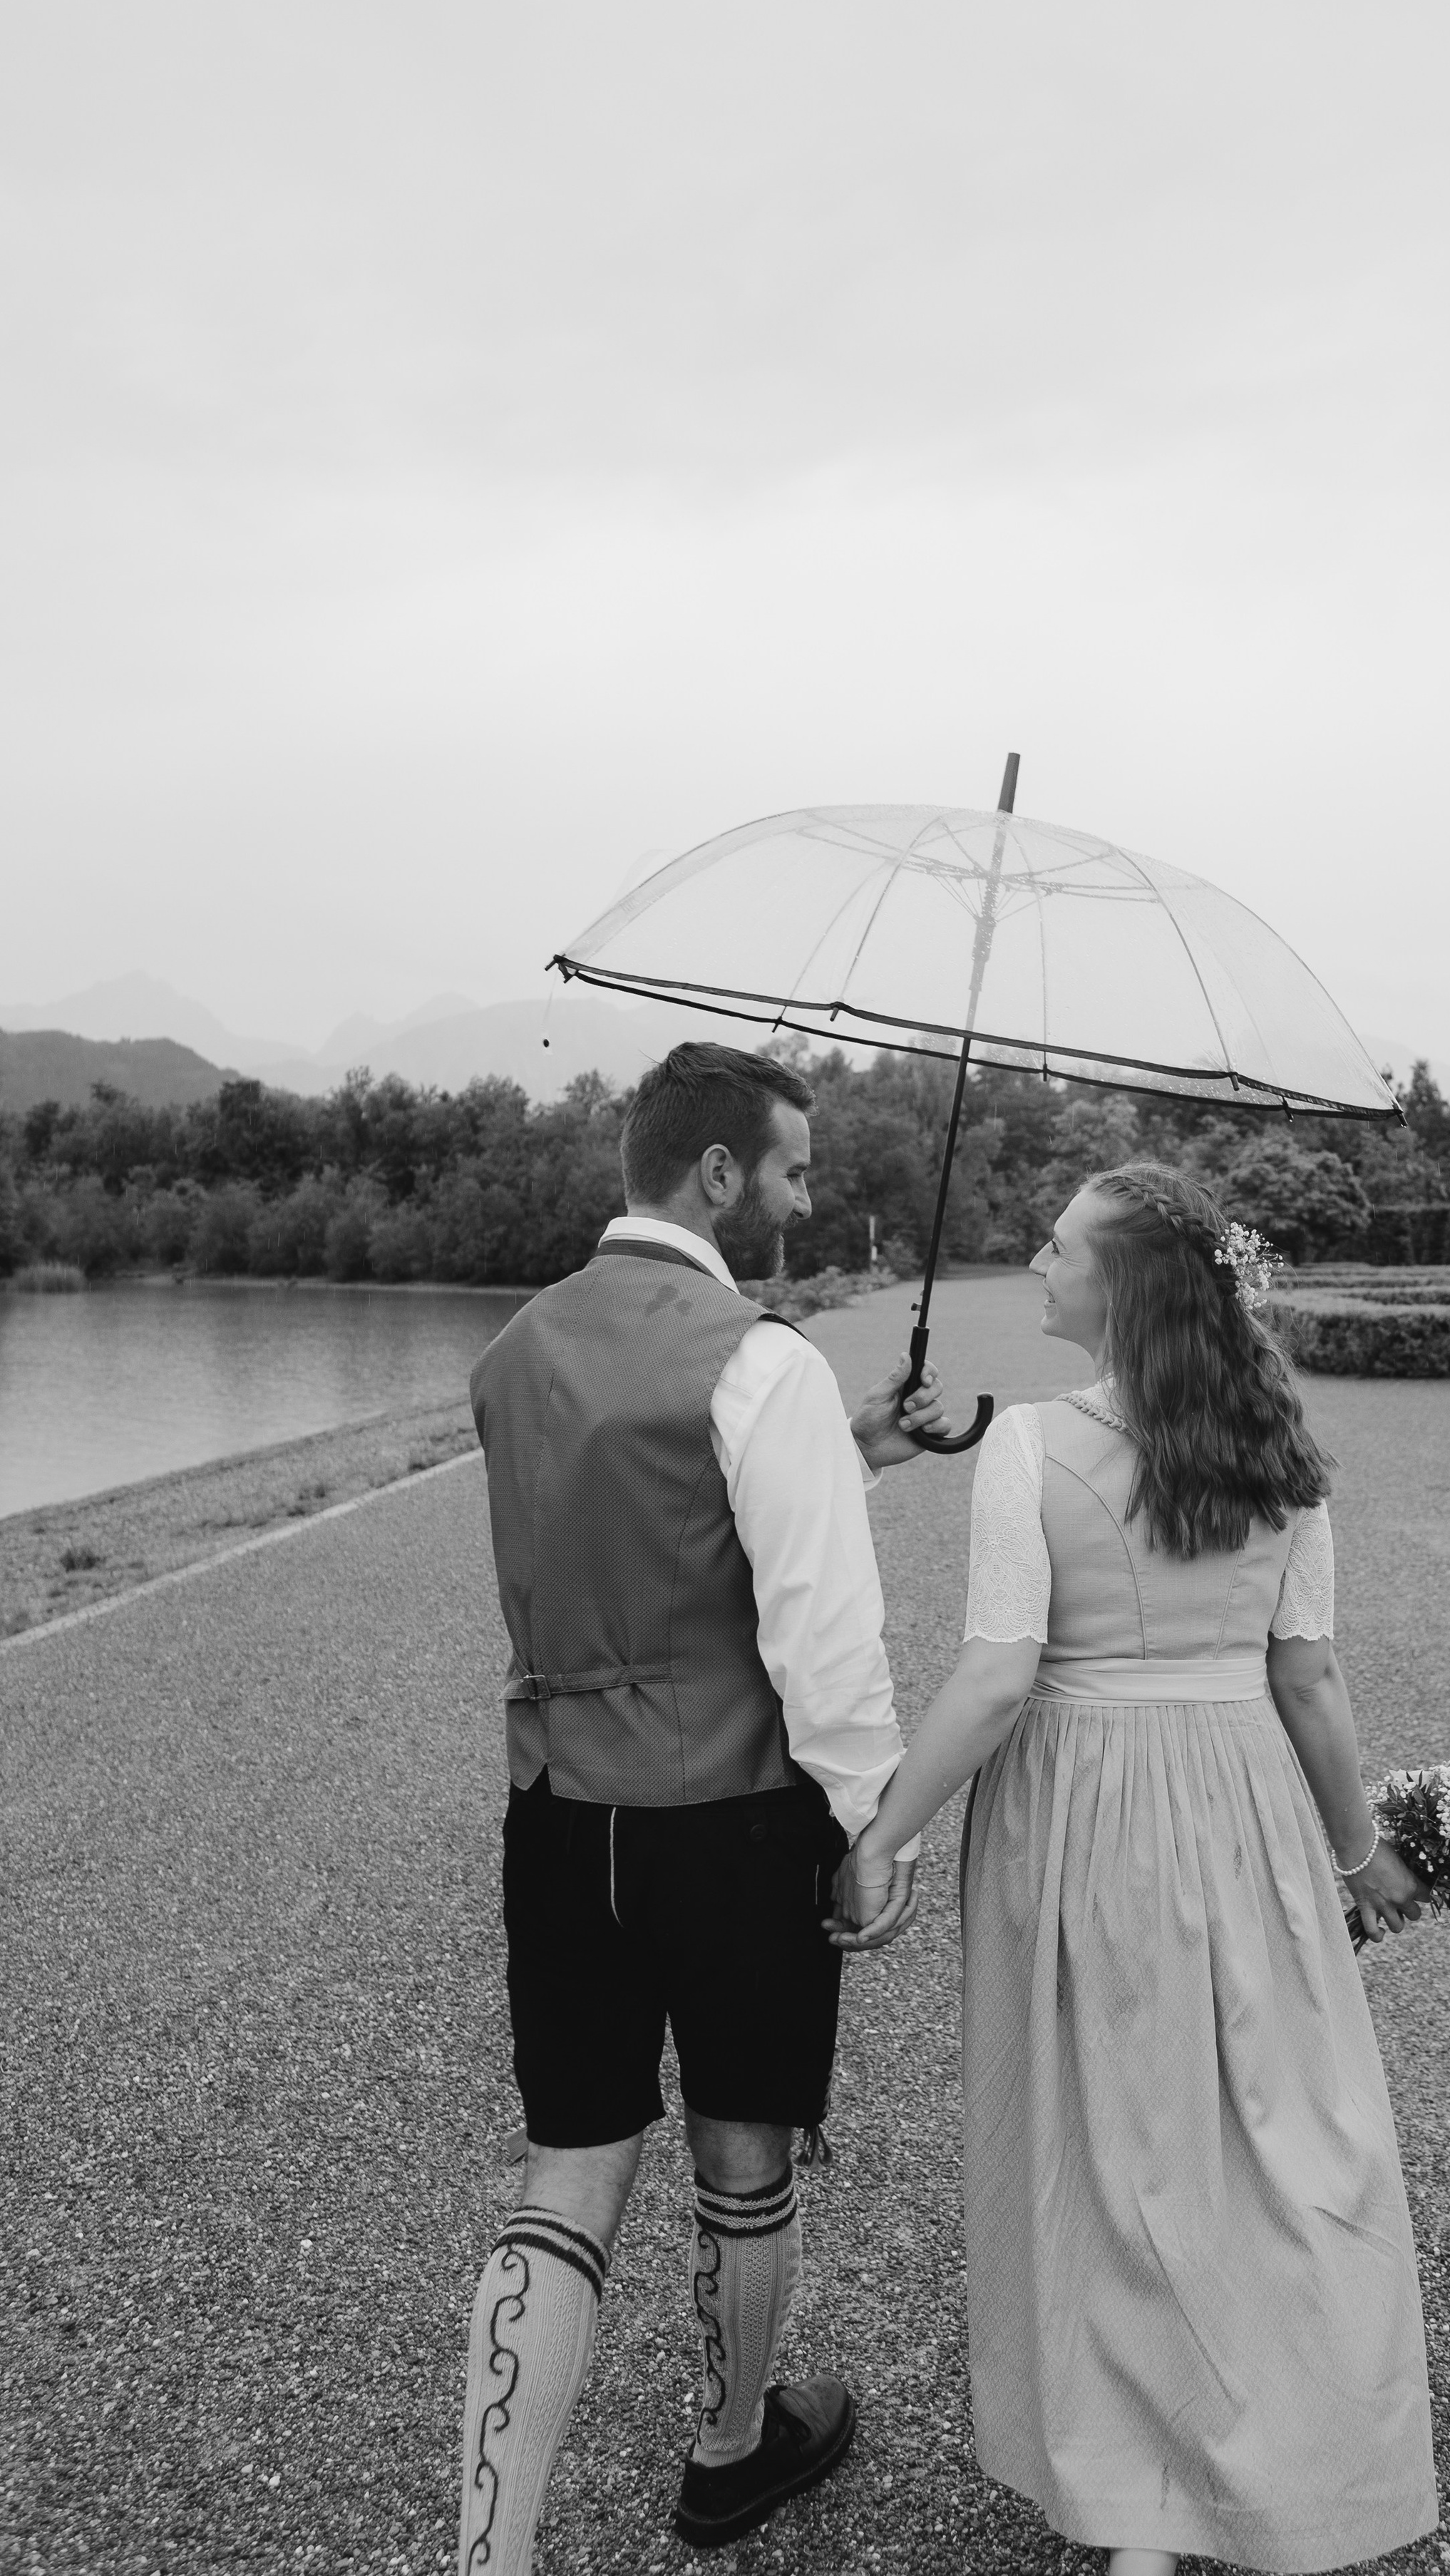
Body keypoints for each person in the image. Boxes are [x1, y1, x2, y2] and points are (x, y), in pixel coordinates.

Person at [831, 1160, 1439, 2575]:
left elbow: (994, 1680)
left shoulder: (1033, 1448)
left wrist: (883, 1830)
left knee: (1111, 2147)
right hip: (1241, 1812)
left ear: (1120, 1285)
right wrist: (1358, 1855)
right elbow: (1309, 1675)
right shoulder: (1277, 1448)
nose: (1036, 1265)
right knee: (1270, 2135)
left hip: (1082, 1815)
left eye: (1054, 1249)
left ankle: (1139, 2513)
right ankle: (1278, 2457)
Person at [457, 1041, 942, 2569]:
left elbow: (640, 1527)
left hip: (558, 1817)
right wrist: (874, 1824)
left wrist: (849, 1444)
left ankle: (493, 2543)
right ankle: (730, 2454)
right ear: (720, 1173)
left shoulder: (514, 1351)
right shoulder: (759, 1357)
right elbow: (815, 1626)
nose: (801, 1195)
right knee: (741, 2148)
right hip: (729, 1824)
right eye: (791, 1167)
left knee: (574, 2159)